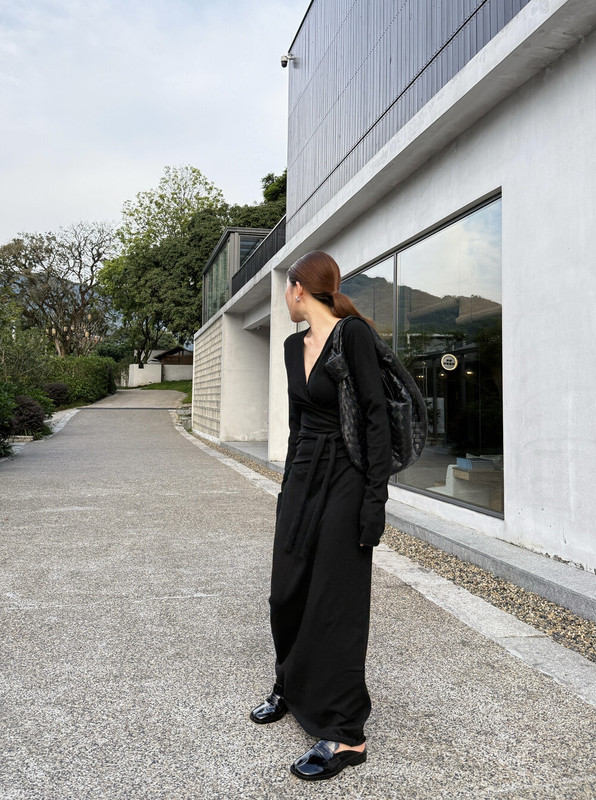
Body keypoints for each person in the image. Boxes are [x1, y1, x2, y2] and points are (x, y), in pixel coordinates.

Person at [250, 251, 393, 781]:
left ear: (298, 289)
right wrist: (288, 488)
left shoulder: (353, 336)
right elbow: (298, 423)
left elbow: (375, 419)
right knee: (286, 590)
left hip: (347, 478)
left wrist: (374, 501)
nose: (285, 301)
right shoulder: (293, 346)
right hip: (304, 475)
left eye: (286, 292)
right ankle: (291, 683)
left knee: (335, 600)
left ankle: (345, 733)